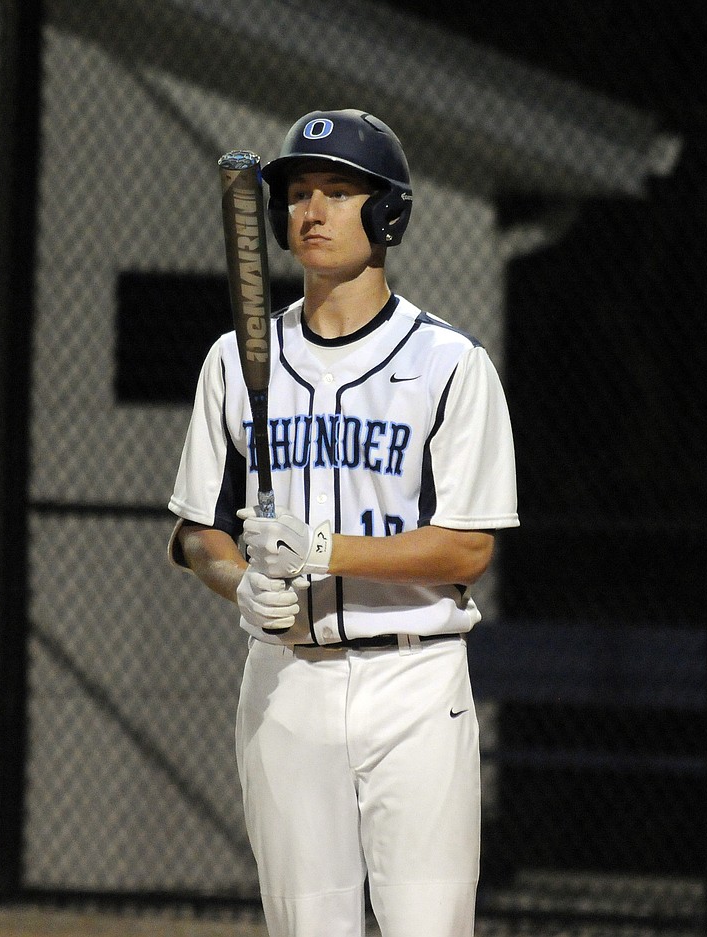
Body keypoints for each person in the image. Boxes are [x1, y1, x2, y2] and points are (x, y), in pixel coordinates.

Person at [167, 108, 519, 937]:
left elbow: (468, 546)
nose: (313, 211)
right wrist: (238, 583)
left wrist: (324, 549)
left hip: (415, 680)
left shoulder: (449, 364)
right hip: (287, 683)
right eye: (298, 194)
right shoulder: (234, 359)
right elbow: (195, 534)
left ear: (387, 212)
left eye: (338, 191)